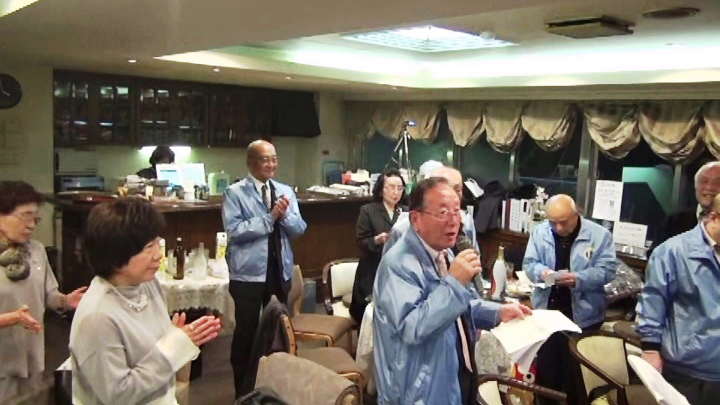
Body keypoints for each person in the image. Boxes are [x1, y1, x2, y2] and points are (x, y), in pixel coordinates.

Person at [373, 177, 531, 405]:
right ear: (416, 219)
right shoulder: (398, 264)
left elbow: (456, 310)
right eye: (443, 212)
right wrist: (455, 282)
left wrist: (497, 313)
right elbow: (413, 328)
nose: (454, 221)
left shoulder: (444, 253)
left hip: (451, 372)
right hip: (417, 390)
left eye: (457, 211)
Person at [69, 197, 221, 404]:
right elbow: (118, 395)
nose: (158, 254)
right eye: (148, 247)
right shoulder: (97, 318)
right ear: (115, 255)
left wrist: (178, 337)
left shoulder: (147, 284)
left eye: (158, 242)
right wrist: (174, 346)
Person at [222, 140, 307, 398]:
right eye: (265, 159)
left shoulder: (284, 191)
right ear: (251, 162)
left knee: (277, 331)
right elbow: (235, 232)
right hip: (247, 274)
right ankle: (243, 392)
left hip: (279, 271)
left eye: (274, 159)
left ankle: (273, 389)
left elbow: (299, 228)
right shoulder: (235, 193)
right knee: (246, 333)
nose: (271, 164)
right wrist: (269, 218)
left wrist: (284, 215)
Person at [523, 194, 617, 404]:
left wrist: (578, 279)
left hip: (584, 318)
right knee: (547, 378)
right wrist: (541, 272)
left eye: (563, 222)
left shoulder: (599, 235)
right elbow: (529, 264)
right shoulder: (540, 232)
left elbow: (607, 271)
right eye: (553, 222)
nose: (558, 228)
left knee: (578, 380)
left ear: (576, 215)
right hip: (547, 316)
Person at [0, 181, 86, 403]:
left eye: (35, 219)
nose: (31, 225)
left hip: (32, 357)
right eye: (24, 216)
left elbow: (49, 296)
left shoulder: (37, 250)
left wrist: (66, 300)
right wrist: (11, 318)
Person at [636, 193, 720, 405]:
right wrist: (650, 348)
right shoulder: (672, 252)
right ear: (714, 218)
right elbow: (653, 302)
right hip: (687, 368)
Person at [349, 169, 407, 324]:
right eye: (391, 187)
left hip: (399, 271)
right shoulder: (368, 211)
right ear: (381, 189)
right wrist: (376, 240)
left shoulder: (405, 212)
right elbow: (360, 242)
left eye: (399, 188)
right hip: (373, 270)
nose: (395, 192)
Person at [383, 166, 479, 256]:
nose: (451, 194)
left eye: (457, 189)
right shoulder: (402, 229)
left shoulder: (465, 220)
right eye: (444, 189)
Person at [648, 161, 720, 256]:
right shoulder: (674, 221)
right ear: (695, 186)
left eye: (718, 182)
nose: (710, 187)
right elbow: (654, 256)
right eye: (704, 181)